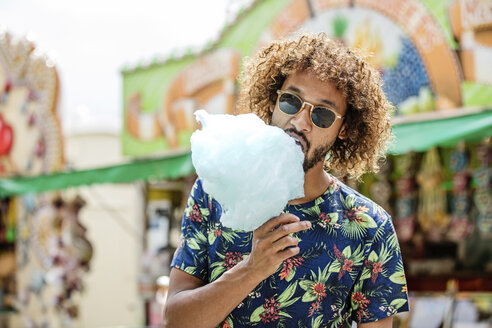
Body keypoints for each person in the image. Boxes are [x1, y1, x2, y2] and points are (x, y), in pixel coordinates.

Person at [164, 33, 409, 328]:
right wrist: (251, 269)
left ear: (345, 129)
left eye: (322, 114)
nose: (300, 122)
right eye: (292, 101)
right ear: (274, 101)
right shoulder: (213, 193)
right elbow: (175, 321)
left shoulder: (369, 226)